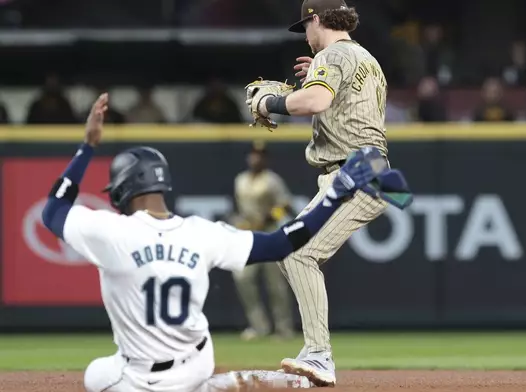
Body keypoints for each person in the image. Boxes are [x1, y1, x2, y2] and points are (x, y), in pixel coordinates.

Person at [41, 94, 402, 392]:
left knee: (95, 376)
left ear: (122, 189)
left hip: (139, 376)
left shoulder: (109, 232)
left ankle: (219, 382)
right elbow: (283, 243)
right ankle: (220, 385)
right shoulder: (203, 232)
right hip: (197, 363)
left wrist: (87, 147)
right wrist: (335, 194)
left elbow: (53, 209)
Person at [244, 0, 406, 387]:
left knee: (298, 251)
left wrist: (270, 101)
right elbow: (335, 100)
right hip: (364, 170)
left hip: (355, 172)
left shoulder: (332, 54)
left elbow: (317, 101)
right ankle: (315, 350)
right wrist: (315, 76)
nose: (307, 38)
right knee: (291, 249)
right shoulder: (364, 57)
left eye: (306, 29)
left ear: (316, 19)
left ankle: (319, 354)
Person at [230, 142, 296, 341]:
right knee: (243, 278)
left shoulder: (272, 181)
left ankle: (283, 328)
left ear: (265, 159)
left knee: (275, 284)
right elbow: (238, 206)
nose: (255, 158)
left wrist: (268, 218)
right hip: (247, 235)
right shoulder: (240, 180)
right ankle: (259, 326)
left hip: (270, 234)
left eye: (260, 155)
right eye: (253, 155)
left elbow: (285, 206)